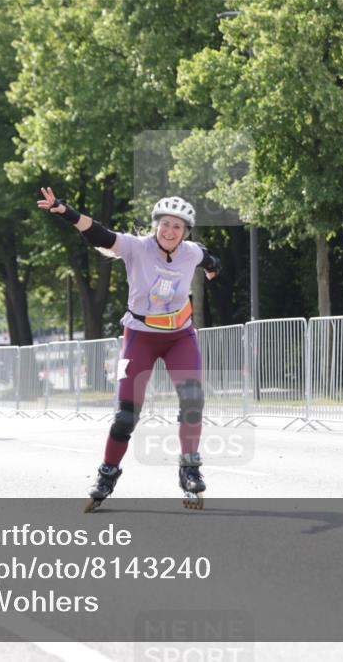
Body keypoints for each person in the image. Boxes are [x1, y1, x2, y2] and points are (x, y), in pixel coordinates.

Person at [37, 187, 221, 511]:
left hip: (180, 337)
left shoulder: (191, 252)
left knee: (193, 401)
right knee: (125, 416)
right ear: (156, 225)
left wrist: (212, 268)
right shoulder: (137, 247)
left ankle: (190, 469)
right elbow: (100, 235)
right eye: (165, 224)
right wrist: (66, 211)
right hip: (140, 336)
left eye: (177, 226)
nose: (170, 231)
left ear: (186, 232)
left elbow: (209, 258)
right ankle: (106, 474)